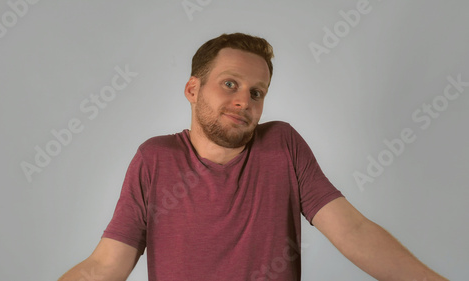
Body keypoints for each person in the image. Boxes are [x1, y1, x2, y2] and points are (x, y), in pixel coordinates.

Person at [59, 33, 448, 281]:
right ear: (193, 89)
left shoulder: (282, 146)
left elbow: (354, 232)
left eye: (257, 92)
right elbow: (106, 266)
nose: (244, 100)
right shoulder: (155, 158)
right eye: (230, 84)